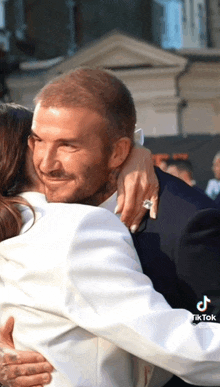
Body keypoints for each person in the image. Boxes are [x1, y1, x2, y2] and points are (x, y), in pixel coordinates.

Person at [1, 70, 220, 387]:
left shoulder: (188, 223)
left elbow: (197, 340)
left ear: (118, 152)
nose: (45, 163)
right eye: (37, 141)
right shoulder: (34, 221)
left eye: (67, 146)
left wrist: (138, 151)